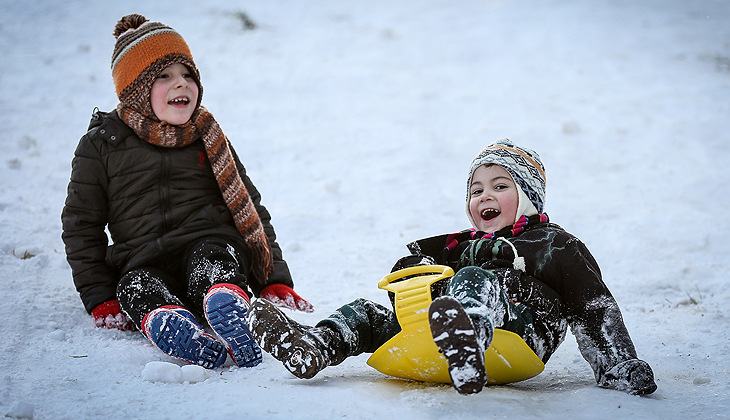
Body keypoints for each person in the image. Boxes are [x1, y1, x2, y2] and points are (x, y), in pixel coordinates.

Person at [248, 139, 657, 395]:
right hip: (440, 338)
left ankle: (469, 340)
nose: (485, 196)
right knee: (366, 313)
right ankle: (313, 348)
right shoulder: (456, 246)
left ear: (529, 197)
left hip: (519, 335)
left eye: (501, 186)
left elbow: (594, 307)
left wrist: (617, 365)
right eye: (476, 190)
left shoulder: (554, 244)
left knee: (476, 279)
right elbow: (406, 291)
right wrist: (414, 271)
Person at [61, 14, 312, 369]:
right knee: (136, 286)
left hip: (206, 241)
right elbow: (81, 226)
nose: (181, 84)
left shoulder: (207, 136)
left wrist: (272, 279)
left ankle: (227, 306)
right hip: (142, 258)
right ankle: (171, 324)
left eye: (187, 74)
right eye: (163, 76)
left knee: (215, 261)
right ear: (135, 89)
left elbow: (249, 207)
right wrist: (100, 296)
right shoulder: (102, 145)